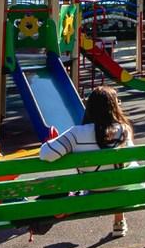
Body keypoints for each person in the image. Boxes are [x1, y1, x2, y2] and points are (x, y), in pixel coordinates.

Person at [38, 85, 135, 236]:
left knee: (107, 174)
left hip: (92, 190)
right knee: (124, 168)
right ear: (113, 108)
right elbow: (130, 159)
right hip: (121, 189)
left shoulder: (76, 134)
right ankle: (119, 220)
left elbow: (45, 154)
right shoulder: (124, 130)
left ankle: (117, 219)